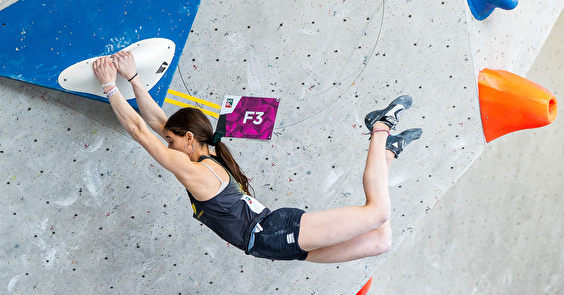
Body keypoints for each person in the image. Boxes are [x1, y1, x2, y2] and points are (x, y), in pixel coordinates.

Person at [91, 48, 421, 264]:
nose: (168, 145)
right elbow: (157, 122)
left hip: (273, 233)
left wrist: (110, 86)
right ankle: (388, 153)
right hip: (271, 241)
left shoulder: (197, 172)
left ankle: (380, 127)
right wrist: (133, 78)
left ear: (189, 139)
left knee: (378, 213)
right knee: (381, 241)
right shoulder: (206, 153)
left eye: (171, 141)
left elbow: (139, 129)